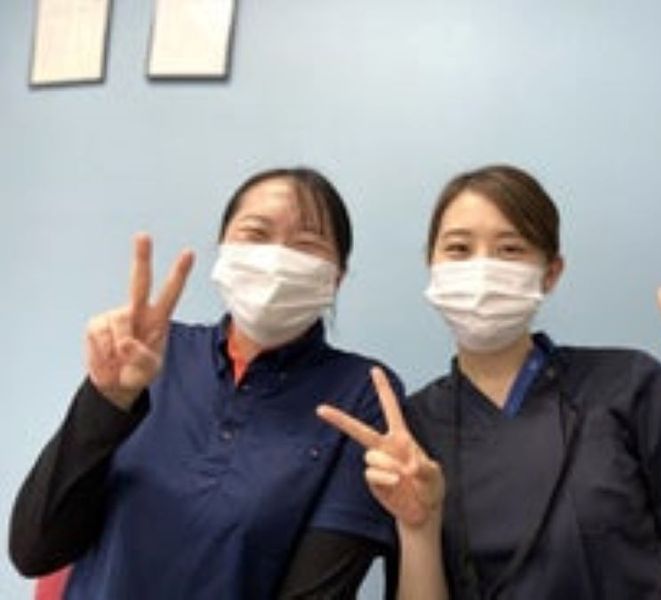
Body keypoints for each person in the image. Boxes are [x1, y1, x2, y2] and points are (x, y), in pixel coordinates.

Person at [318, 164, 661, 599]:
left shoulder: (629, 385)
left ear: (551, 272)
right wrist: (418, 530)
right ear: (431, 266)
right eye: (458, 249)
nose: (482, 269)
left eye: (510, 249)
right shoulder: (414, 429)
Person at [10, 167, 403, 599]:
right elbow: (34, 551)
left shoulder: (362, 393)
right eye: (256, 234)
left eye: (307, 244)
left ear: (337, 277)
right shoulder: (151, 353)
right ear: (224, 251)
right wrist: (107, 399)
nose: (276, 259)